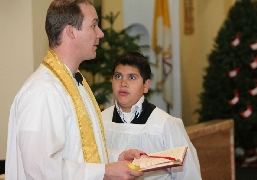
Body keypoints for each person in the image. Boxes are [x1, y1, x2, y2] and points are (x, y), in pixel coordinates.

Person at [5, 1, 144, 179]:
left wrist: (116, 158)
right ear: (71, 31)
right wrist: (104, 171)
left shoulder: (74, 81)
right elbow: (40, 169)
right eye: (94, 25)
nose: (100, 33)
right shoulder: (44, 90)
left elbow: (78, 149)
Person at [101, 51, 202, 180]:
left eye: (132, 77)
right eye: (118, 76)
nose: (123, 83)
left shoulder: (165, 124)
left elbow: (189, 175)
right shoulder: (100, 121)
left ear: (146, 85)